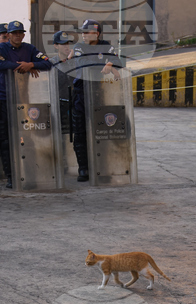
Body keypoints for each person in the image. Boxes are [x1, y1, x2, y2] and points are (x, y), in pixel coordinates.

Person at [0, 21, 53, 189]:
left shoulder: (29, 49)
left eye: (20, 33)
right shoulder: (1, 49)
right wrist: (24, 66)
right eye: (14, 33)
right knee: (6, 140)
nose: (18, 35)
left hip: (24, 100)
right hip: (4, 99)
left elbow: (47, 63)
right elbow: (0, 65)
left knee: (27, 137)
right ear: (9, 34)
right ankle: (11, 175)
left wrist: (32, 64)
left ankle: (28, 172)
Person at [69, 19, 123, 182]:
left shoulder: (106, 45)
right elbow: (84, 64)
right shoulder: (79, 47)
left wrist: (112, 63)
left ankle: (102, 166)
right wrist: (108, 64)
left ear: (97, 33)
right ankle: (83, 168)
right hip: (81, 93)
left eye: (87, 32)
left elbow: (121, 62)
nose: (83, 35)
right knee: (80, 133)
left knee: (102, 130)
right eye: (82, 32)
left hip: (100, 94)